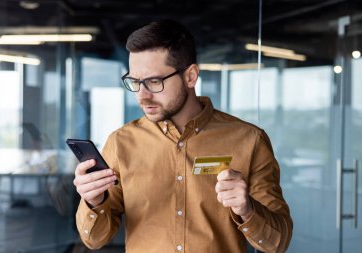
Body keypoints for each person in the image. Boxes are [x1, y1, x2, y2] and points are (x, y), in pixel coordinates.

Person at [73, 19, 293, 253]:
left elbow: (277, 243)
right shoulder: (120, 143)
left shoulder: (249, 141)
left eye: (154, 82)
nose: (142, 95)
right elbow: (95, 240)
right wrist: (93, 202)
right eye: (135, 82)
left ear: (190, 76)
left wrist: (248, 210)